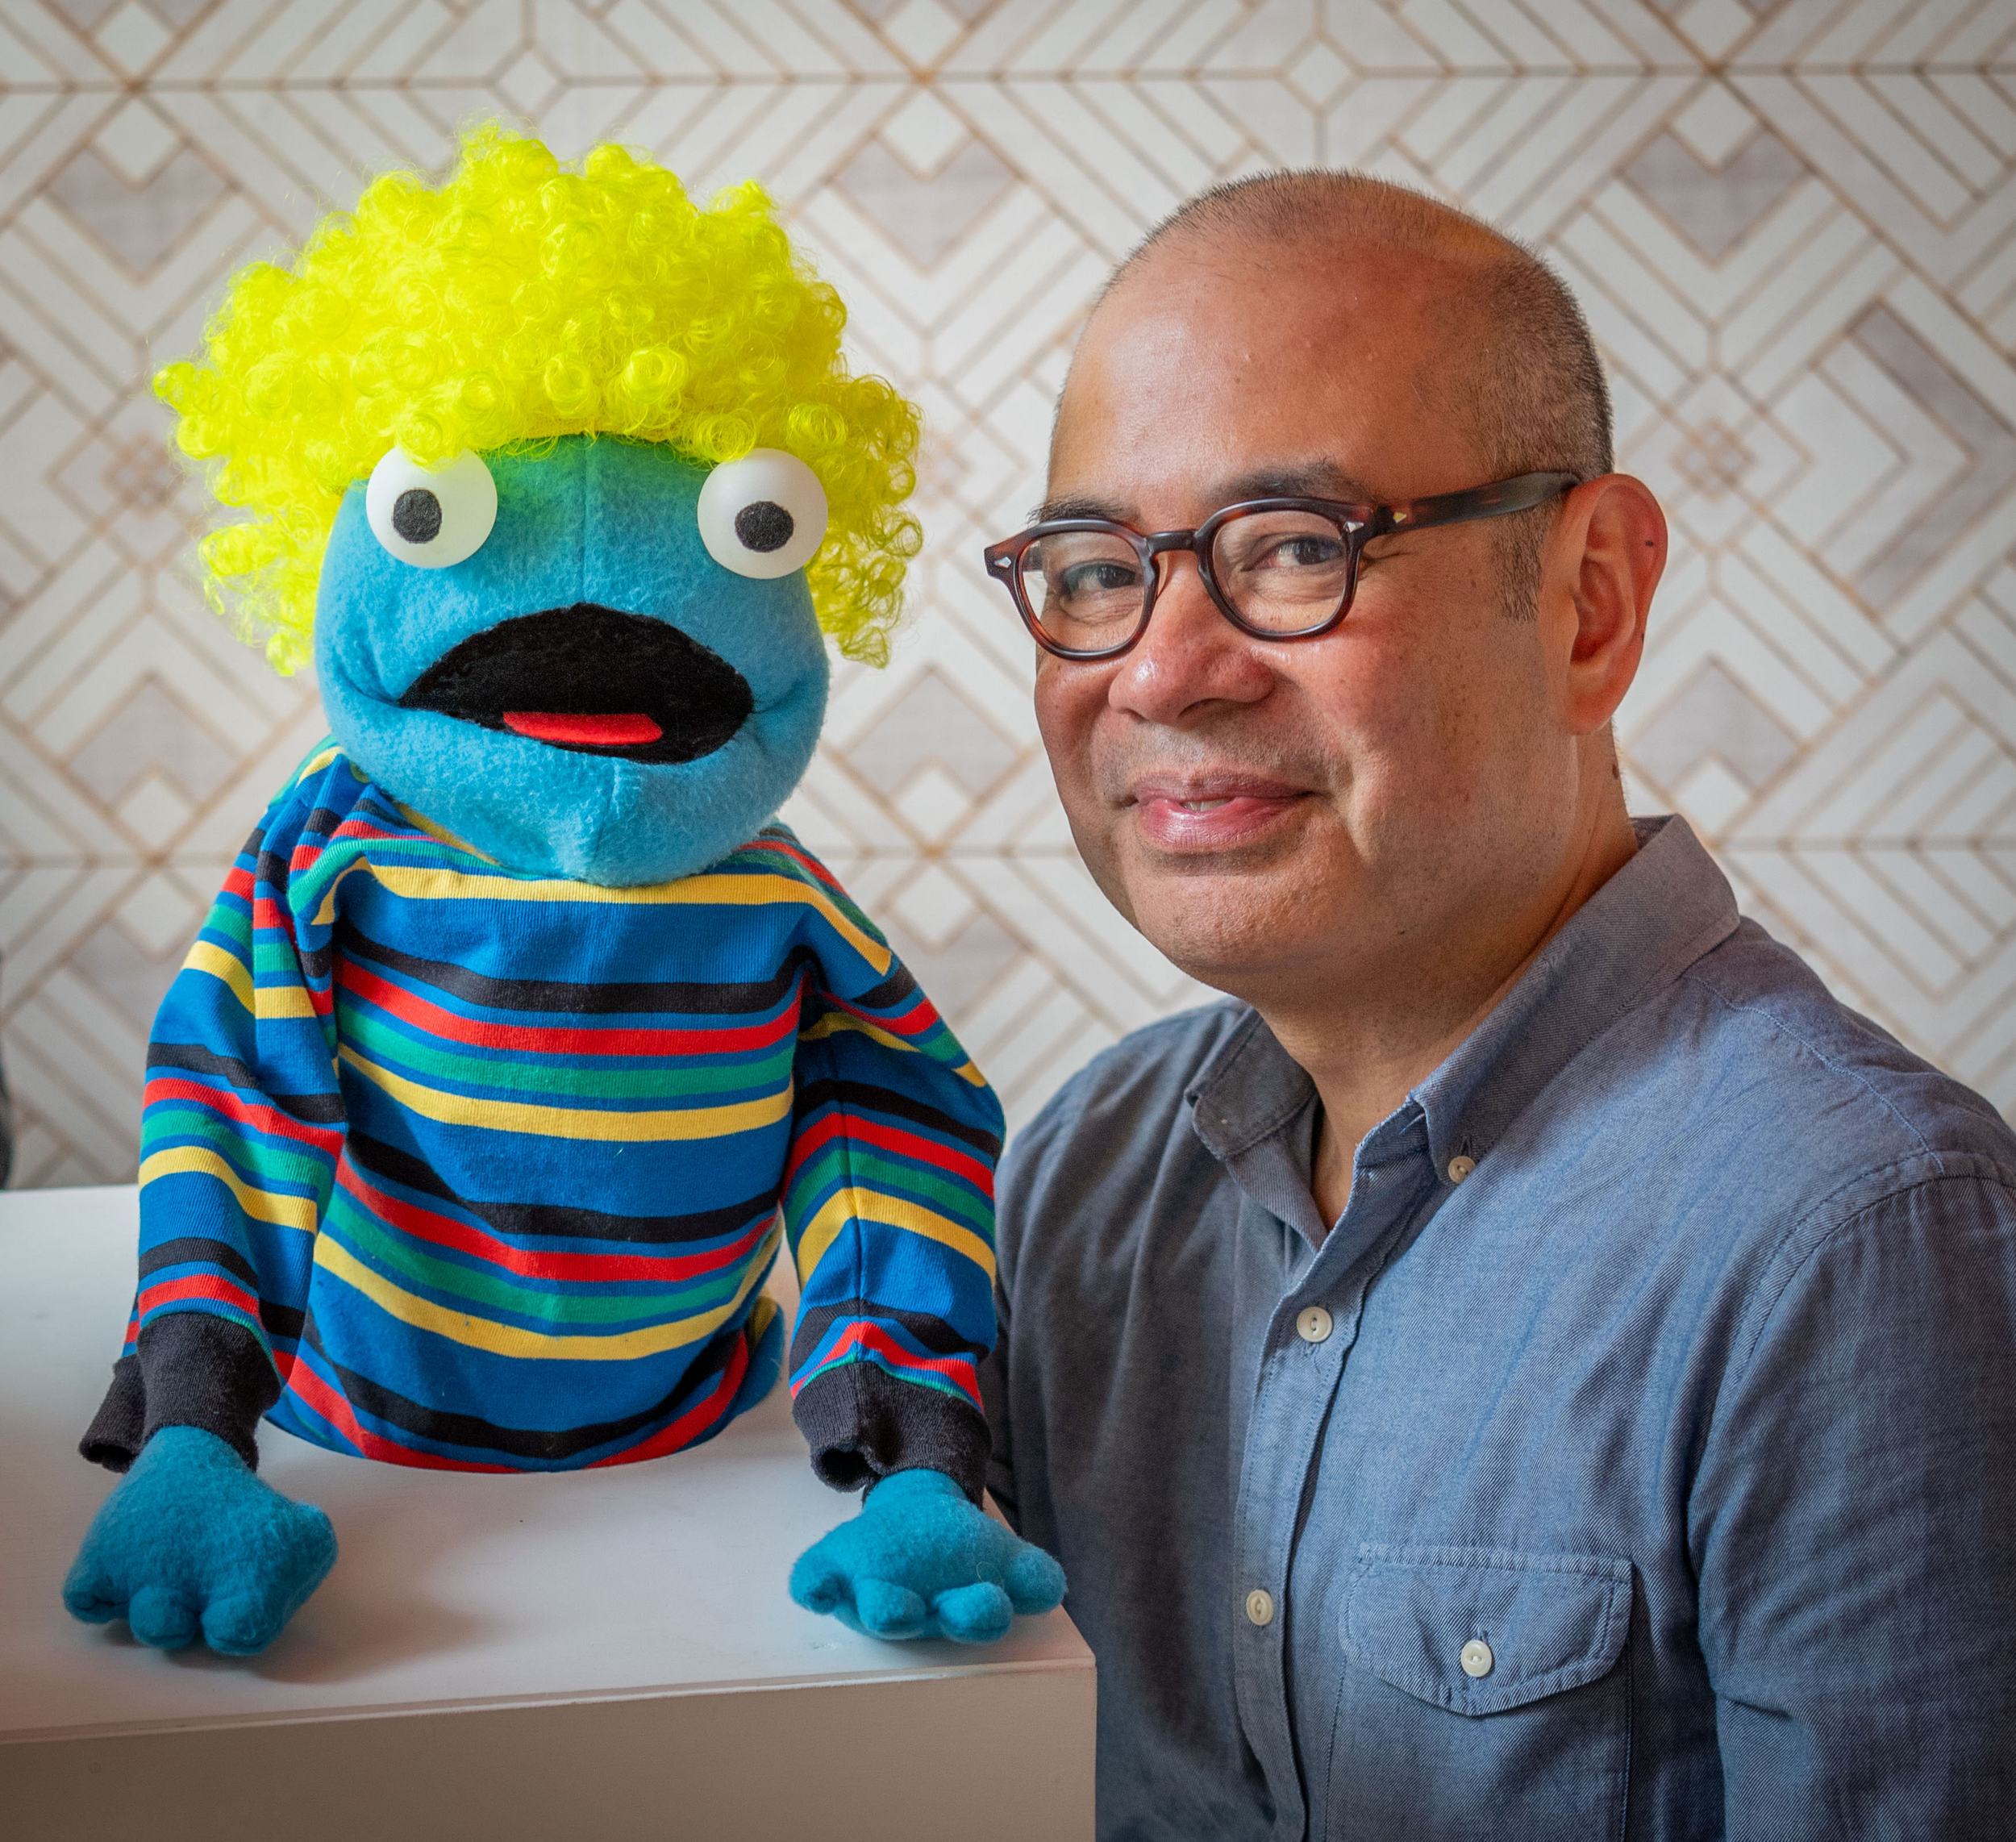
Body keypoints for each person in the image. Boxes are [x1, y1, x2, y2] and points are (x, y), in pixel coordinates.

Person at [977, 171, 2016, 1840]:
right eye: (1097, 570)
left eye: (1293, 548)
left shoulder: (1858, 1238)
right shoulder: (1084, 1172)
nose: (1161, 671)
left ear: (1589, 601)